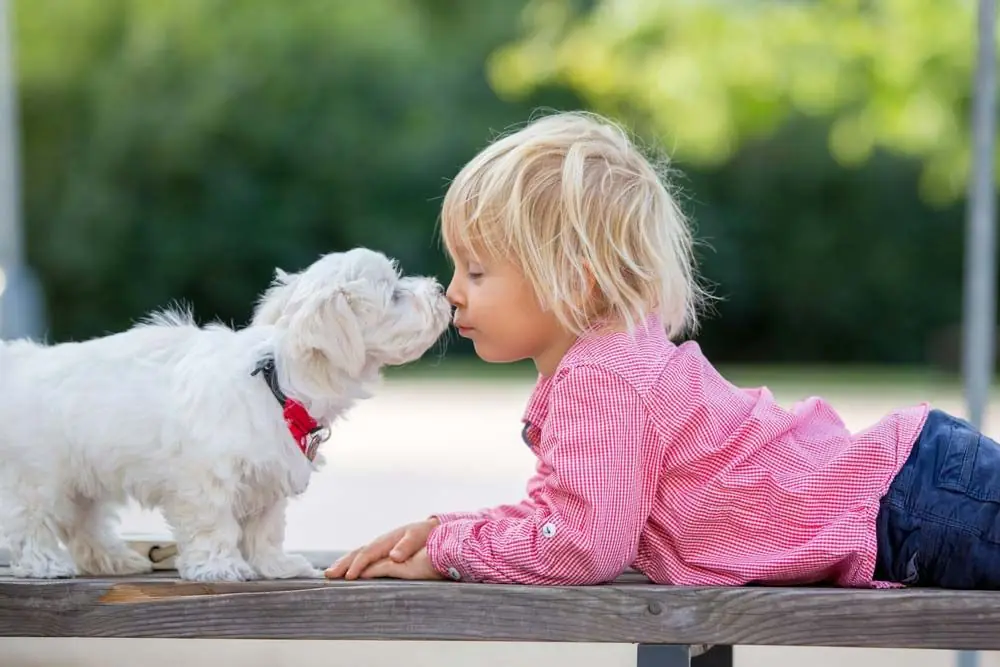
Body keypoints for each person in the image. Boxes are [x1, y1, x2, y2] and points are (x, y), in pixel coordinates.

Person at [324, 110, 1000, 589]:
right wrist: (445, 529)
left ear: (574, 279)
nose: (453, 292)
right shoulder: (609, 361)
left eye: (477, 271)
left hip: (918, 506)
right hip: (922, 491)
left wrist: (451, 550)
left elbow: (582, 546)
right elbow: (574, 518)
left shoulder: (603, 377)